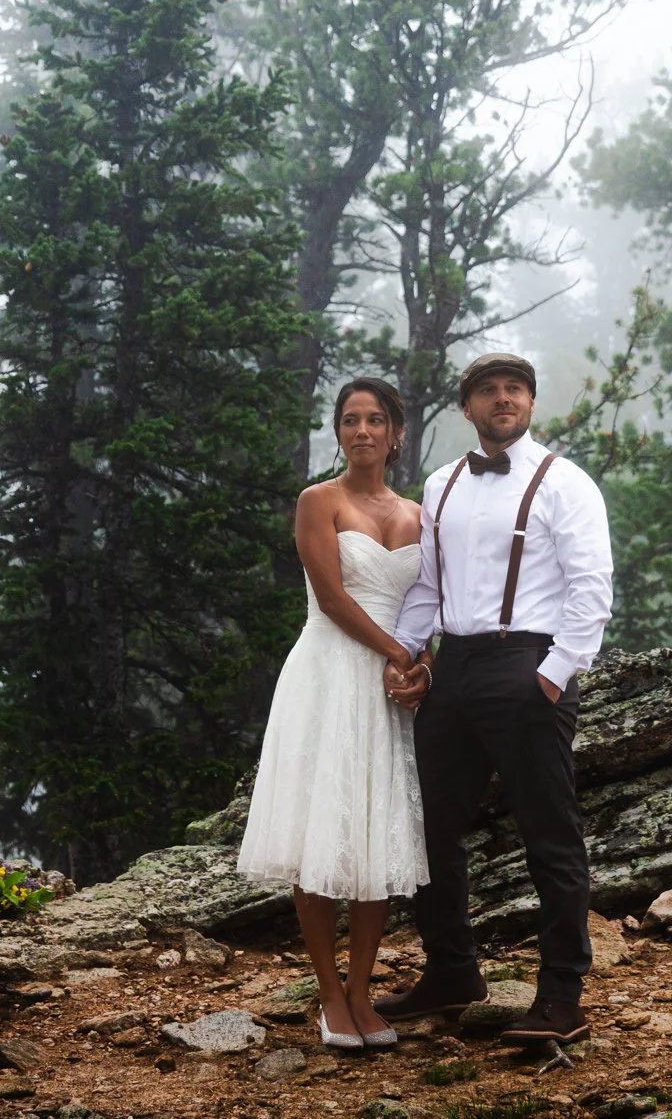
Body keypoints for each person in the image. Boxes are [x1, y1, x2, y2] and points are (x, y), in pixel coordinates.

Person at [375, 353, 614, 1047]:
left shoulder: (566, 483)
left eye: (513, 388)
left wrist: (554, 673)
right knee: (429, 829)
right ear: (468, 408)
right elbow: (426, 586)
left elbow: (591, 588)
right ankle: (452, 971)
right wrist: (404, 653)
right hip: (454, 668)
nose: (501, 399)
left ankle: (562, 996)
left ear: (530, 402)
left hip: (528, 664)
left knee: (550, 835)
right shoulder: (442, 482)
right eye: (487, 390)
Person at [235, 378, 430, 1051]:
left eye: (377, 419)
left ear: (397, 433)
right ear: (339, 431)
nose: (363, 430)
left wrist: (420, 665)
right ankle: (326, 993)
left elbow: (426, 605)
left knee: (377, 831)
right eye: (351, 419)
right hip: (328, 671)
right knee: (322, 830)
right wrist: (397, 651)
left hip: (387, 682)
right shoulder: (319, 500)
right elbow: (333, 595)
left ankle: (361, 990)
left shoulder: (417, 513)